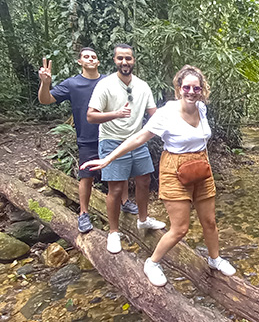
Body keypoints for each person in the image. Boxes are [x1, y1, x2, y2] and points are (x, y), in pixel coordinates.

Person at [81, 65, 236, 286]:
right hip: (174, 170)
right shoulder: (167, 113)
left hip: (201, 168)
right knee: (180, 229)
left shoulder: (201, 108)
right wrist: (109, 158)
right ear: (179, 88)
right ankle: (152, 263)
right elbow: (139, 138)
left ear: (202, 90)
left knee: (209, 221)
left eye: (196, 88)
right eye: (187, 87)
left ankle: (215, 259)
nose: (191, 92)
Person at [38, 47, 139, 234]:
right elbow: (46, 100)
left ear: (98, 62)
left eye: (94, 57)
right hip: (87, 137)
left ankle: (125, 202)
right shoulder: (72, 84)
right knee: (86, 175)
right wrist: (45, 83)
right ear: (80, 62)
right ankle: (83, 213)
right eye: (86, 57)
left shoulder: (110, 81)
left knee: (120, 170)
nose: (90, 59)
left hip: (112, 134)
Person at [87, 44, 165, 254]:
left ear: (133, 60)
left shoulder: (143, 86)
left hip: (137, 140)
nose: (124, 62)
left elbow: (154, 114)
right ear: (114, 60)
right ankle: (113, 232)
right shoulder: (105, 85)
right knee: (116, 189)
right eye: (120, 58)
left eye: (128, 58)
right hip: (111, 140)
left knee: (145, 180)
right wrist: (115, 114)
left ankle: (143, 219)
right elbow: (91, 116)